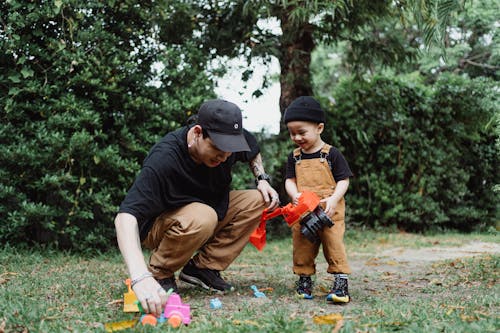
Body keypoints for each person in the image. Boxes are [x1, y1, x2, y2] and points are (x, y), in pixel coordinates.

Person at [114, 99, 280, 316]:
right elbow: (125, 217)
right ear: (197, 133)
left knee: (258, 200)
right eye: (218, 148)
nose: (224, 157)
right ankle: (159, 273)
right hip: (162, 225)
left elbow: (252, 149)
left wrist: (262, 179)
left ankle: (202, 269)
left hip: (207, 211)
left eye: (230, 151)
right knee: (203, 216)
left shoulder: (228, 140)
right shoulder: (164, 158)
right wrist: (139, 276)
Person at [283, 96, 353, 303]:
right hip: (304, 212)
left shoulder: (331, 154)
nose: (296, 137)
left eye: (301, 132)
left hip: (330, 211)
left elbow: (344, 180)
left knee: (334, 244)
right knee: (302, 244)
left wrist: (334, 199)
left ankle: (341, 284)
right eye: (292, 133)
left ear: (319, 128)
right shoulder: (295, 157)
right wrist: (294, 194)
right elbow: (289, 180)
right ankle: (304, 280)